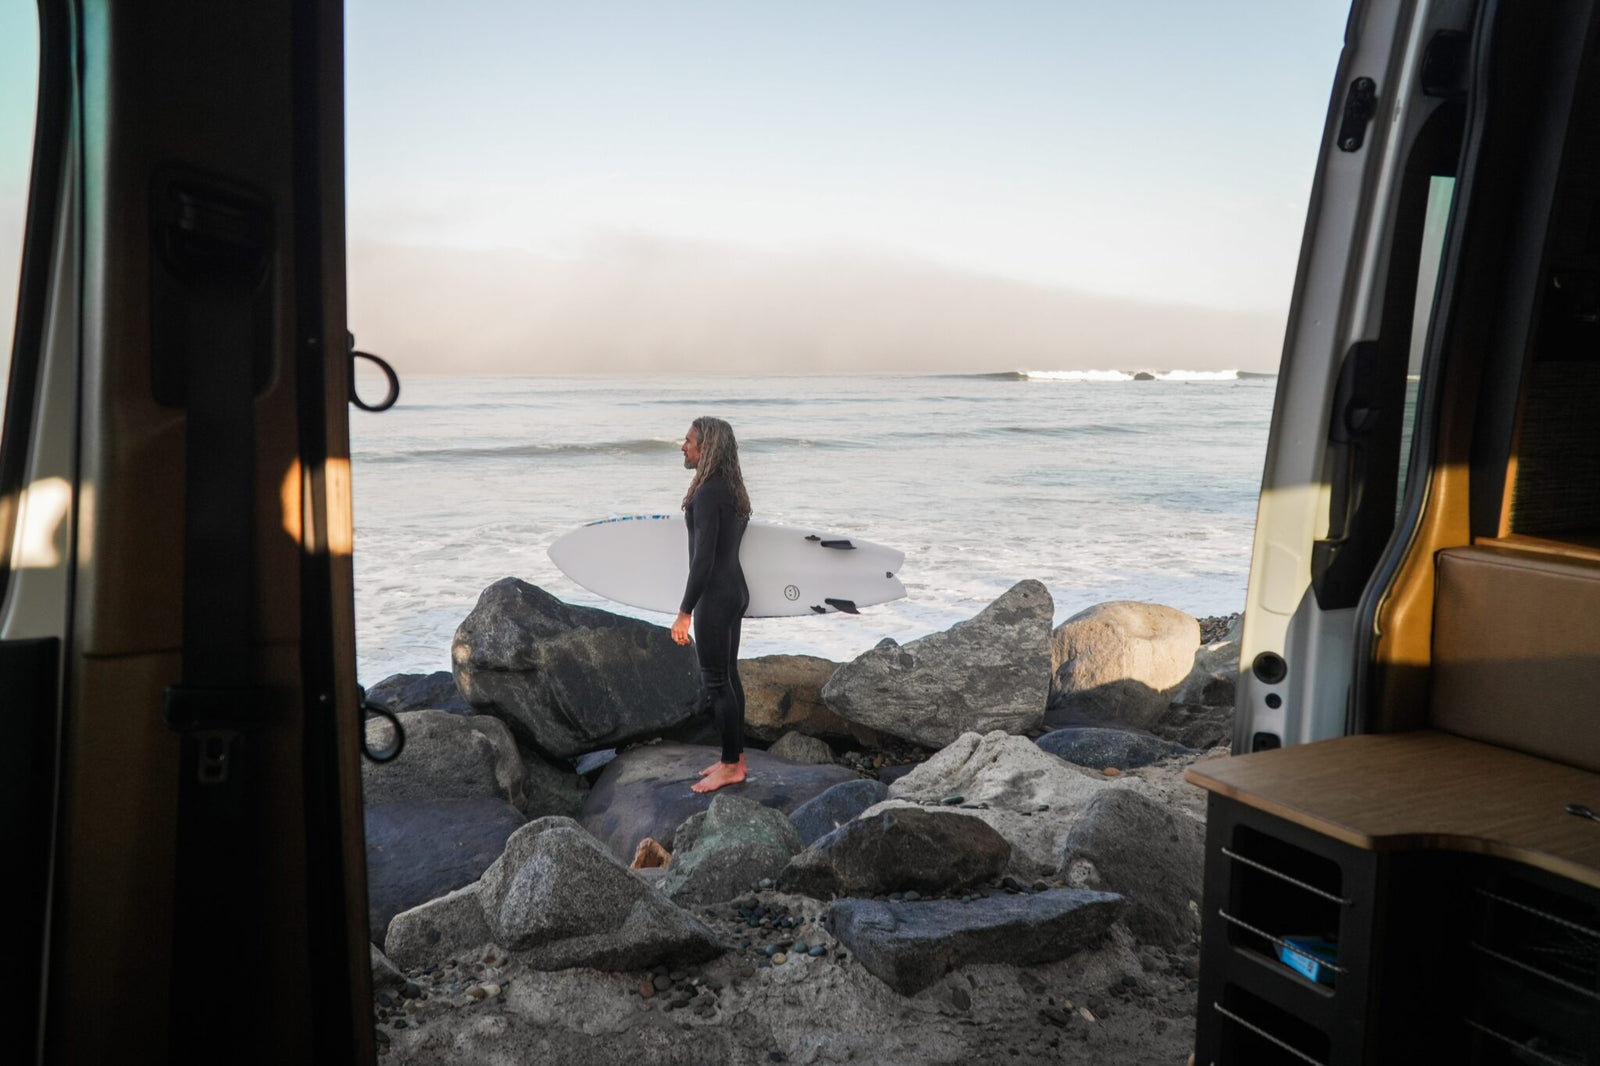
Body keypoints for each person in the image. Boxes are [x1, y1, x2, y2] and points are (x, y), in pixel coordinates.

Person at [671, 416, 752, 794]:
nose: (683, 446)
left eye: (689, 441)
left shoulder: (706, 494)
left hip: (716, 597)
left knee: (716, 682)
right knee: (729, 677)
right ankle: (732, 758)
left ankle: (732, 765)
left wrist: (685, 612)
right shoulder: (731, 490)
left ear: (707, 448)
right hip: (735, 591)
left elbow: (703, 559)